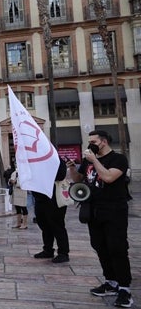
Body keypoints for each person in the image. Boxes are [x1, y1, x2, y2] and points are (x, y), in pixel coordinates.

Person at [68, 130, 132, 308]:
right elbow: (79, 179)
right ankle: (111, 281)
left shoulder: (118, 159)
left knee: (117, 247)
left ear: (103, 142)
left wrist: (94, 161)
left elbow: (109, 177)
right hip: (94, 210)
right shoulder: (89, 162)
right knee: (100, 246)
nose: (90, 144)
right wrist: (73, 168)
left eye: (93, 141)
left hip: (114, 210)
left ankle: (124, 288)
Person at [32, 157, 69, 264]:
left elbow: (61, 175)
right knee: (44, 225)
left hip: (54, 199)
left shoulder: (56, 160)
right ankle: (48, 249)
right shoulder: (36, 161)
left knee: (57, 225)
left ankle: (63, 252)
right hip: (40, 198)